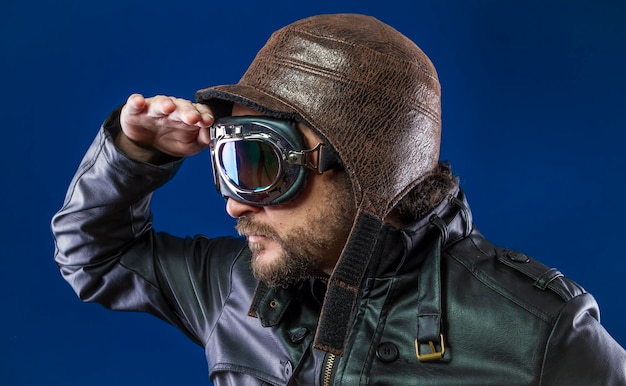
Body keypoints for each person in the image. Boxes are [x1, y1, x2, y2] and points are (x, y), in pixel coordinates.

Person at [51, 13, 626, 385]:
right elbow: (94, 258)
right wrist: (134, 154)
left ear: (366, 169)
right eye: (229, 164)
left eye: (260, 165)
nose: (234, 206)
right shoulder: (240, 286)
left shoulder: (542, 335)